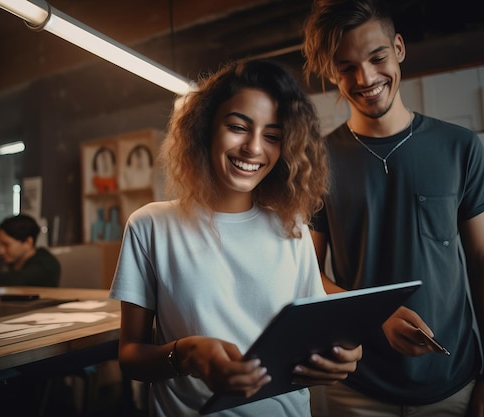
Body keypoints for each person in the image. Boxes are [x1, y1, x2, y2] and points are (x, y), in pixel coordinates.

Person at [108, 59, 363, 417]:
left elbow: (318, 338)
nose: (253, 148)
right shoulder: (150, 226)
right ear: (206, 128)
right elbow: (130, 357)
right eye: (238, 127)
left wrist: (347, 354)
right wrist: (188, 354)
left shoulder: (293, 229)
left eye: (272, 136)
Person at [302, 1, 484, 416]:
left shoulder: (459, 147)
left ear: (398, 48)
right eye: (346, 67)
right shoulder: (316, 161)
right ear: (331, 72)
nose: (365, 78)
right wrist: (373, 315)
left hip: (455, 383)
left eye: (377, 57)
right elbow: (306, 271)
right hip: (356, 388)